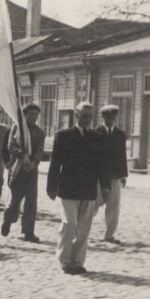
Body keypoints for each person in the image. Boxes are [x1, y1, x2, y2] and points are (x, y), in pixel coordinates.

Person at [47, 102, 111, 274]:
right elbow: (55, 164)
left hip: (88, 188)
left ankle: (77, 261)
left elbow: (103, 165)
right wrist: (51, 186)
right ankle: (65, 260)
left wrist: (105, 186)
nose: (87, 120)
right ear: (76, 115)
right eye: (83, 116)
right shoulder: (63, 136)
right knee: (69, 224)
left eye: (90, 117)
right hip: (68, 187)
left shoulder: (98, 138)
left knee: (84, 227)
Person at [1, 103, 46, 242]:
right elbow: (11, 145)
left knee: (31, 201)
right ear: (25, 115)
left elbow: (40, 150)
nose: (33, 117)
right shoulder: (18, 128)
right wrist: (22, 156)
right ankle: (8, 220)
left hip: (31, 170)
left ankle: (28, 231)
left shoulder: (40, 132)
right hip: (18, 168)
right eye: (30, 114)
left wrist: (33, 163)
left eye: (35, 115)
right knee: (15, 200)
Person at [93, 104, 128, 244]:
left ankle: (109, 235)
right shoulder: (96, 132)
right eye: (107, 117)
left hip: (115, 175)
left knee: (113, 206)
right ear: (103, 117)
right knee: (93, 204)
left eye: (113, 117)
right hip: (98, 177)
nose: (110, 120)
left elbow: (122, 155)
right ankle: (81, 229)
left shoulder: (120, 134)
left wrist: (124, 175)